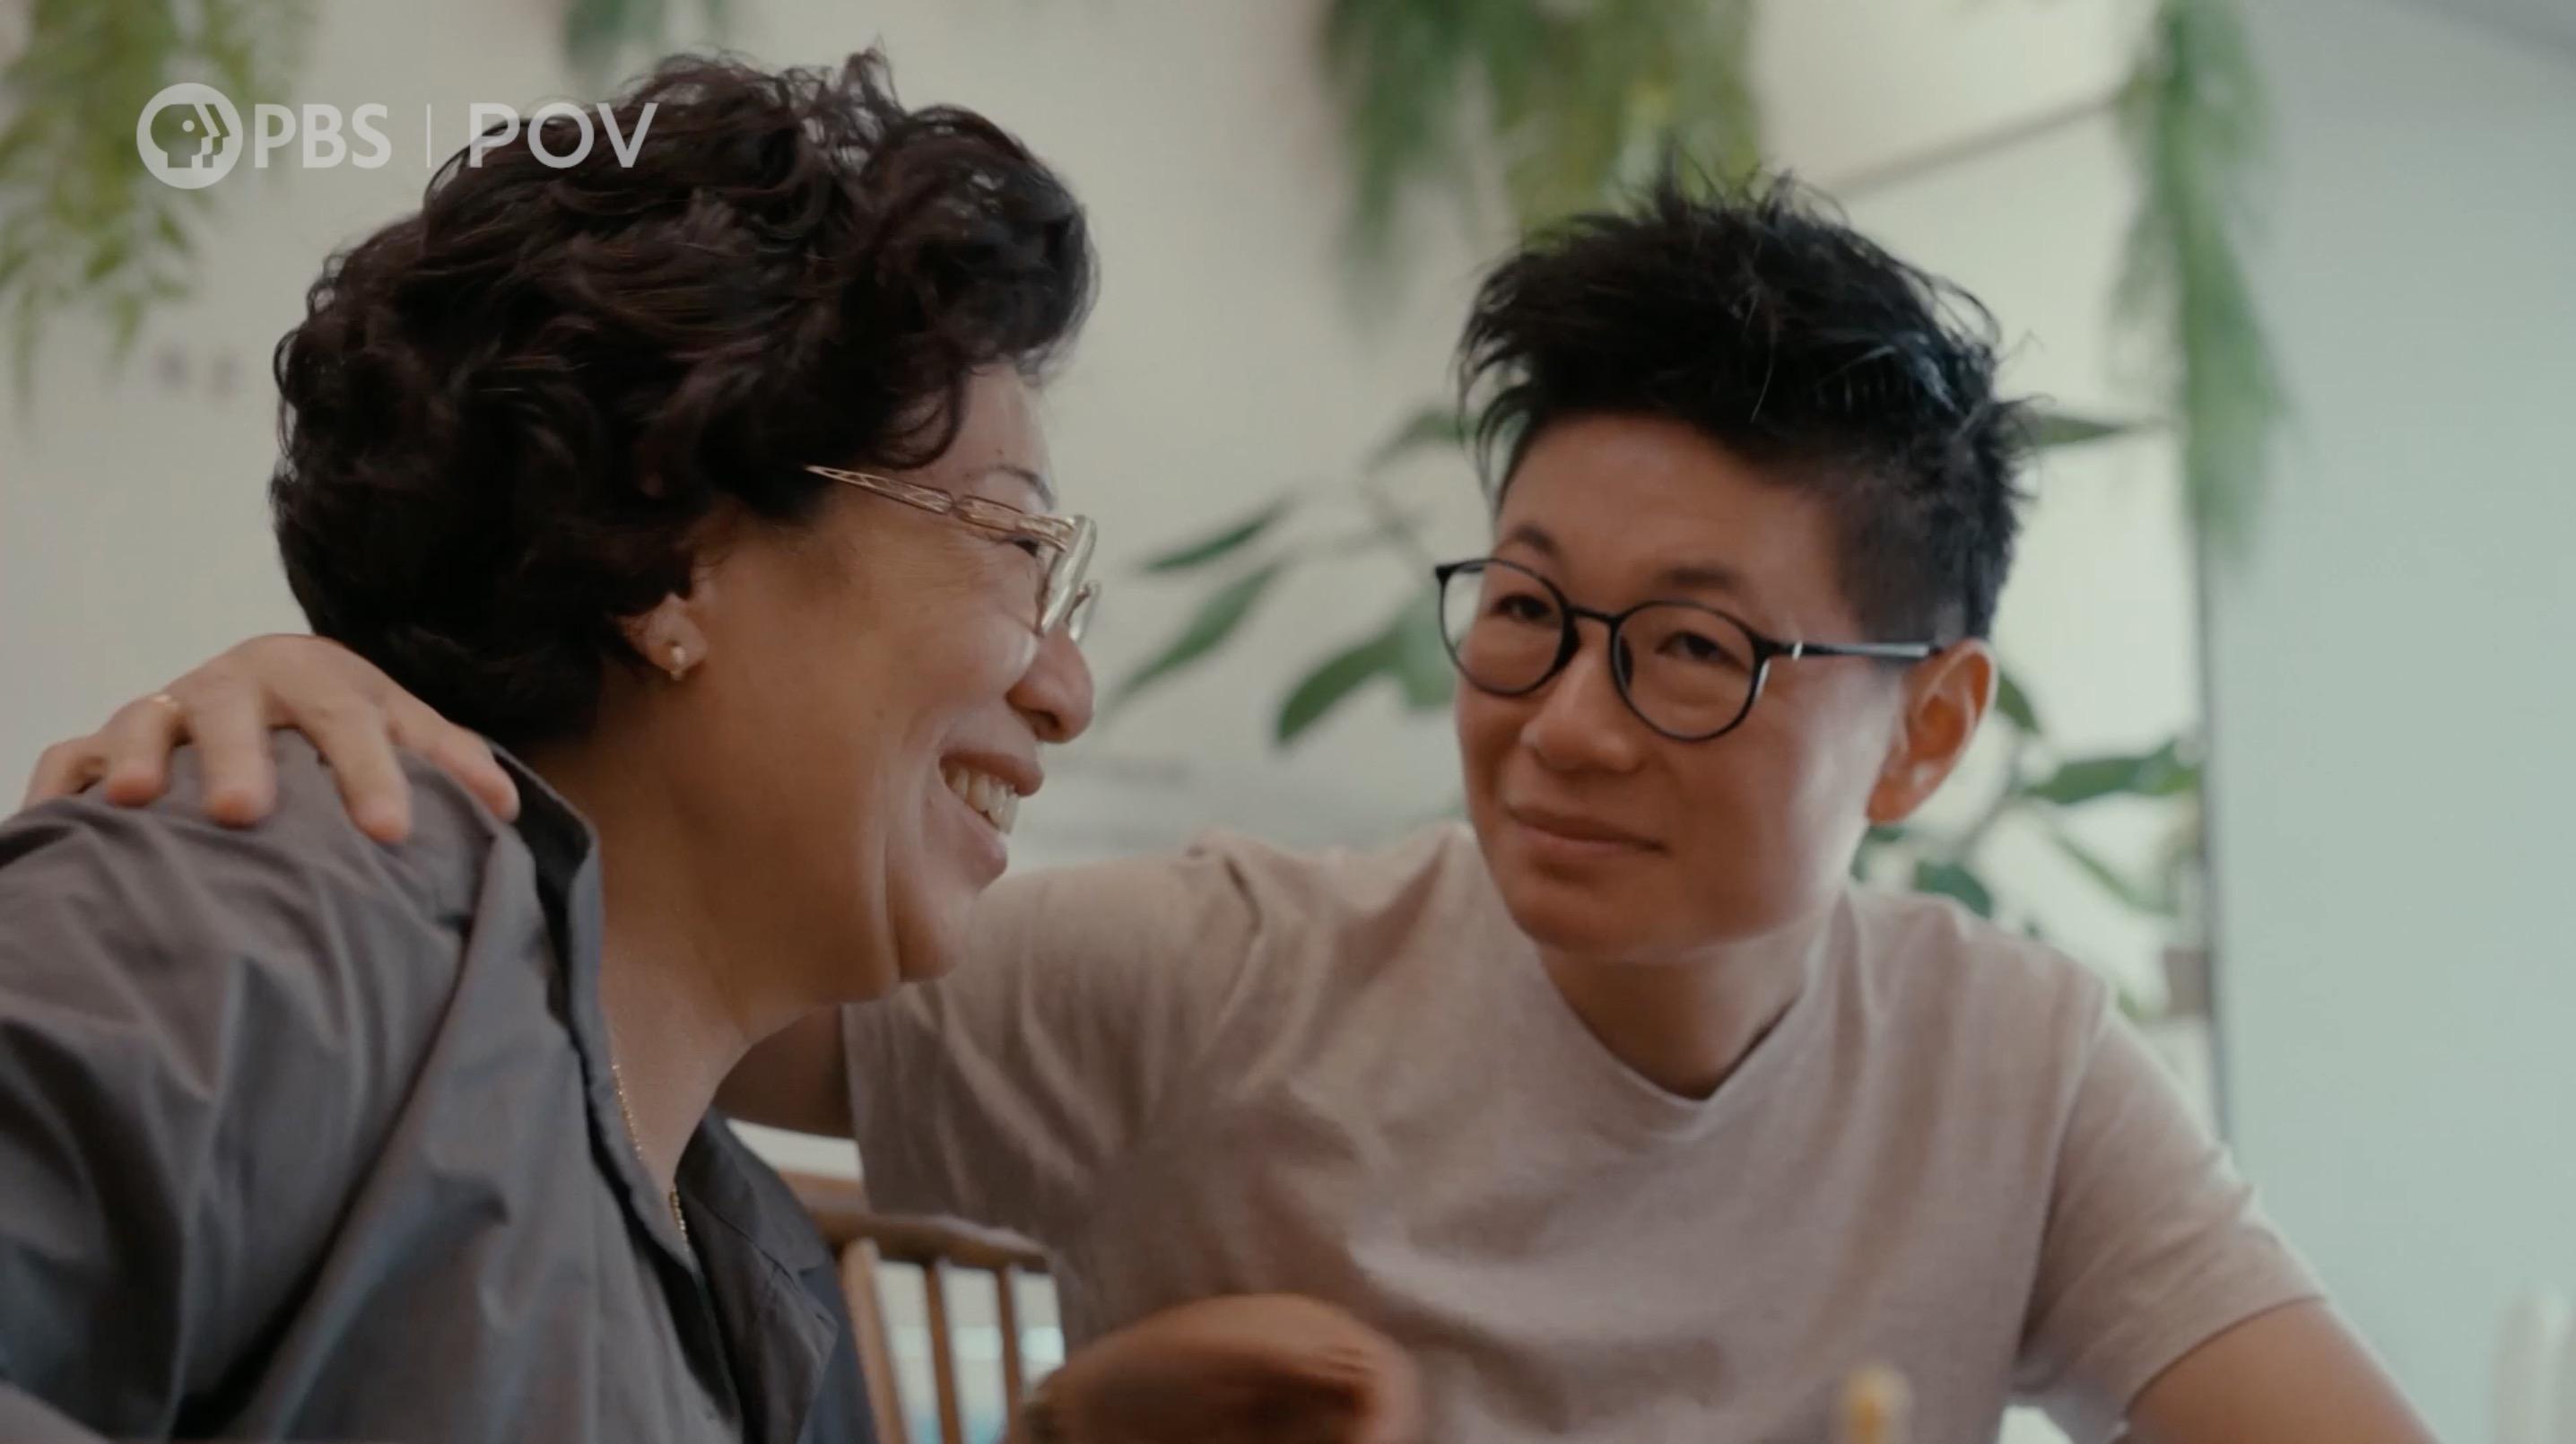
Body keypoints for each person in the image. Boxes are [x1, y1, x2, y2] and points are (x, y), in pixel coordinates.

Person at [26, 177, 2437, 1443]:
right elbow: (585, 955)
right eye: (1526, 613)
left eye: (1696, 652)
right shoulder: (289, 931)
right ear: (675, 565)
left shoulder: (2013, 1064)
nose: (1567, 726)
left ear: (1920, 733)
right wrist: (386, 696)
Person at [0, 51, 1419, 1444]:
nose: (1065, 688)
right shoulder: (290, 907)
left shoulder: (760, 1275)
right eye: (1013, 546)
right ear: (674, 556)